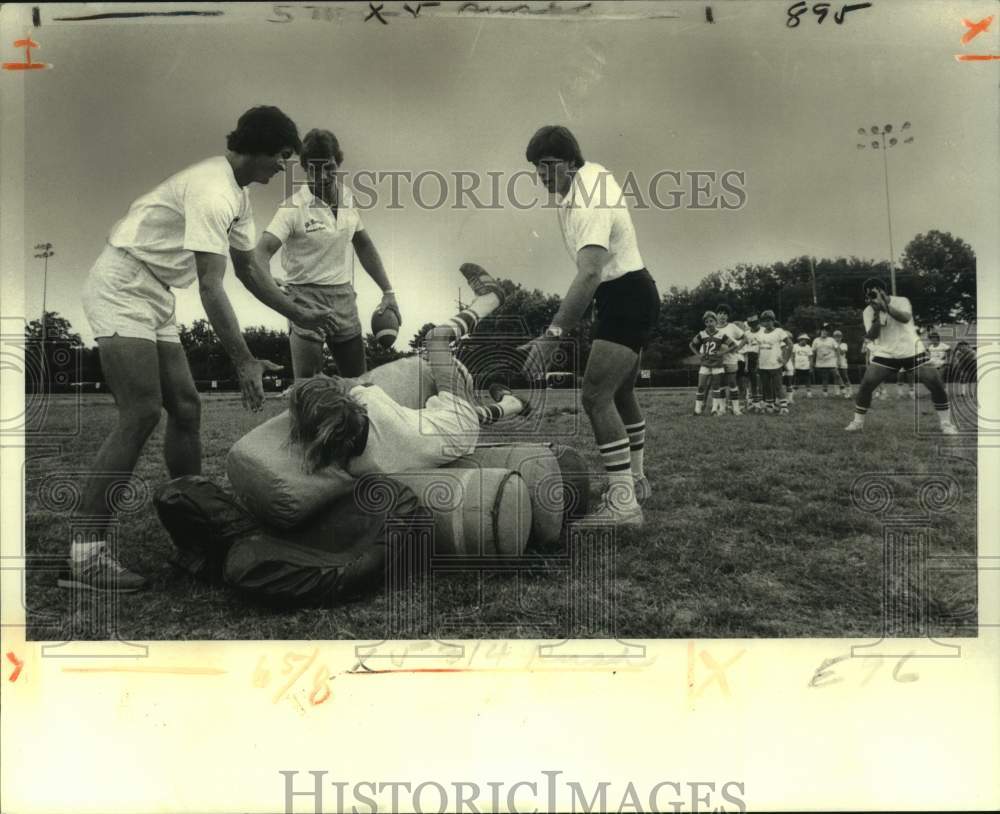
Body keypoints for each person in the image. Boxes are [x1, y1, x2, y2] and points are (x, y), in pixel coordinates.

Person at [63, 107, 337, 593]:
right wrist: (244, 360)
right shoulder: (212, 188)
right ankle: (85, 557)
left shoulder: (238, 193)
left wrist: (300, 314)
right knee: (141, 412)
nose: (281, 168)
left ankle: (197, 530)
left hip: (157, 292)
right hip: (123, 282)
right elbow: (212, 288)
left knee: (186, 407)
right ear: (255, 146)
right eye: (279, 156)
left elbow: (251, 272)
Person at [519, 126, 660, 525]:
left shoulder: (588, 198)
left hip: (626, 294)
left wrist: (551, 339)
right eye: (536, 168)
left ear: (571, 163)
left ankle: (623, 505)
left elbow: (589, 274)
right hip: (628, 292)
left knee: (595, 396)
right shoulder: (588, 178)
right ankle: (635, 480)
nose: (542, 175)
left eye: (548, 166)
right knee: (620, 392)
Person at [289, 264, 522, 475]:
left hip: (455, 439)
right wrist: (320, 386)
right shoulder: (373, 404)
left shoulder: (354, 466)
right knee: (435, 338)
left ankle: (511, 405)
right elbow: (352, 383)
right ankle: (491, 299)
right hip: (457, 418)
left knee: (444, 421)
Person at [257, 128, 399, 381]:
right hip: (305, 297)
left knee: (358, 386)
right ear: (305, 168)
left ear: (338, 163)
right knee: (309, 387)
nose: (323, 176)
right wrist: (273, 286)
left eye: (330, 168)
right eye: (314, 169)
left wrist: (388, 291)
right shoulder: (293, 207)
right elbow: (261, 252)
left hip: (343, 295)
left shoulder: (346, 196)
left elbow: (363, 245)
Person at [845, 278, 957, 434]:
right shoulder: (868, 311)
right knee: (866, 385)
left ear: (884, 291)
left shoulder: (902, 301)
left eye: (876, 291)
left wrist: (886, 307)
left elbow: (905, 318)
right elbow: (871, 335)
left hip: (912, 350)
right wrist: (878, 314)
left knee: (936, 383)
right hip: (886, 353)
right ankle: (858, 422)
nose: (873, 295)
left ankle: (946, 423)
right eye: (869, 293)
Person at [689, 311, 733, 416]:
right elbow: (691, 345)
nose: (709, 323)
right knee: (701, 386)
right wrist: (699, 355)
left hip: (717, 364)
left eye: (711, 321)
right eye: (707, 321)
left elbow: (733, 345)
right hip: (705, 364)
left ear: (716, 321)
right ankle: (697, 410)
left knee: (716, 387)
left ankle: (714, 409)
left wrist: (722, 352)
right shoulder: (702, 334)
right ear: (705, 323)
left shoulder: (721, 334)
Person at [756, 310, 792, 414]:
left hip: (775, 365)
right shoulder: (760, 333)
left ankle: (783, 406)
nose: (767, 323)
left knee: (778, 386)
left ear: (773, 320)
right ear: (762, 322)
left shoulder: (779, 331)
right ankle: (770, 405)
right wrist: (758, 361)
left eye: (769, 320)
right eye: (765, 321)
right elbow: (758, 348)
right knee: (766, 386)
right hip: (763, 364)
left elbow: (790, 345)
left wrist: (785, 359)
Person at [715, 304, 745, 415]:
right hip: (718, 361)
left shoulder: (732, 327)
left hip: (731, 359)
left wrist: (738, 349)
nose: (722, 316)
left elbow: (745, 338)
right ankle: (722, 408)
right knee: (721, 384)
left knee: (732, 383)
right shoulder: (713, 328)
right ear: (716, 315)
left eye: (725, 314)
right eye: (720, 313)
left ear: (728, 316)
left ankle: (736, 408)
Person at [811, 324, 840, 397]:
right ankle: (825, 393)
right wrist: (812, 362)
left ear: (828, 332)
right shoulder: (816, 340)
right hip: (821, 362)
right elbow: (813, 352)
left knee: (836, 375)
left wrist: (838, 360)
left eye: (826, 331)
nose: (824, 332)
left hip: (832, 362)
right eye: (823, 330)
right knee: (824, 377)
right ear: (820, 331)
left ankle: (838, 391)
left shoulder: (832, 340)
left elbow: (837, 350)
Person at [743, 314, 762, 412]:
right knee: (752, 381)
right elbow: (744, 347)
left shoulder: (763, 331)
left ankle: (765, 402)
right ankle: (754, 402)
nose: (753, 325)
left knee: (761, 381)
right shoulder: (746, 333)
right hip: (749, 357)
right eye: (751, 324)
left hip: (762, 356)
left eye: (755, 323)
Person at [792, 334, 814, 398]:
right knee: (796, 380)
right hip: (797, 366)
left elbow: (811, 358)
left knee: (807, 380)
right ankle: (793, 393)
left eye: (805, 340)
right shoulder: (795, 346)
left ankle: (809, 393)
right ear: (799, 340)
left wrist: (811, 367)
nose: (804, 341)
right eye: (803, 340)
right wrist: (793, 366)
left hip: (806, 367)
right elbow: (792, 357)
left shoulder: (808, 347)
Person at [832, 329, 852, 398]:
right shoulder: (832, 345)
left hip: (842, 362)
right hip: (834, 362)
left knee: (845, 376)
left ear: (841, 337)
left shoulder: (844, 344)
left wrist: (837, 346)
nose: (837, 338)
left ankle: (849, 390)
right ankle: (837, 391)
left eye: (839, 337)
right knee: (836, 376)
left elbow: (842, 352)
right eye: (835, 337)